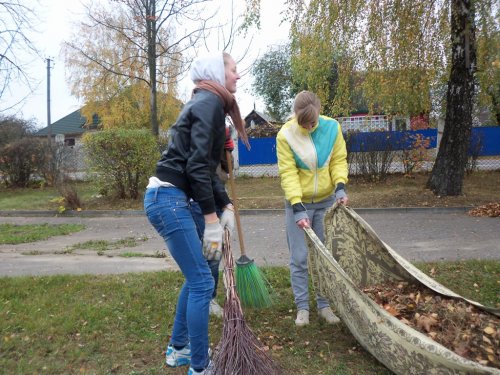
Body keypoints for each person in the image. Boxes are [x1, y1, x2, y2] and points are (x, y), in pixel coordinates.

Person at [143, 52, 248, 374]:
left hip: (170, 197)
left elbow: (205, 169)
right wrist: (211, 218)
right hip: (169, 200)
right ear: (218, 73)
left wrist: (225, 203)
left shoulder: (207, 102)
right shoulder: (209, 105)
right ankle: (201, 367)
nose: (237, 76)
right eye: (232, 70)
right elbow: (196, 168)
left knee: (196, 279)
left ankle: (179, 351)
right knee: (203, 282)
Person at [276, 90, 349, 327]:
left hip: (326, 201)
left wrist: (339, 186)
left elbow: (338, 160)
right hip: (299, 204)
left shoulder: (332, 128)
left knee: (324, 256)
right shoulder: (285, 135)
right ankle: (302, 308)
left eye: (313, 122)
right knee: (299, 257)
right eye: (303, 123)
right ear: (295, 115)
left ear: (319, 112)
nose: (308, 127)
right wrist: (297, 206)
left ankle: (324, 305)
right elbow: (288, 173)